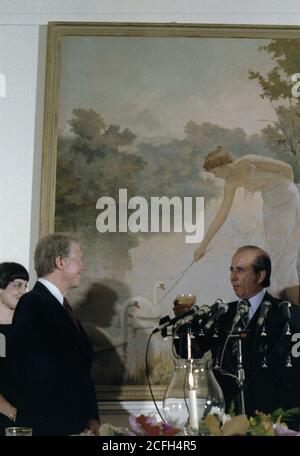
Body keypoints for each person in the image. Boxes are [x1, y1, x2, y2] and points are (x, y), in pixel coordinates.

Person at [174, 245, 300, 421]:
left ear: (260, 275)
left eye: (240, 270)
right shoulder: (222, 314)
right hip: (227, 419)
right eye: (231, 270)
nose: (232, 277)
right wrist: (185, 323)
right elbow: (190, 352)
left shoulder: (288, 316)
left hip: (270, 421)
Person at [11, 233, 100, 436]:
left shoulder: (61, 307)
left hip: (75, 426)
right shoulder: (33, 303)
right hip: (51, 428)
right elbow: (35, 374)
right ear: (60, 262)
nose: (83, 267)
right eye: (79, 258)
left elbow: (80, 373)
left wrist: (91, 419)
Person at [193, 145, 300, 304]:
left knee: (280, 252)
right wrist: (203, 245)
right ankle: (292, 303)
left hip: (285, 196)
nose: (216, 177)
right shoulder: (230, 184)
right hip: (271, 203)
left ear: (222, 165)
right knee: (281, 254)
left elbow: (287, 169)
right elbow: (221, 215)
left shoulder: (248, 161)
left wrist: (288, 192)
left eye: (215, 172)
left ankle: (274, 301)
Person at [0, 262, 29, 435]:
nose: (23, 292)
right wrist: (13, 413)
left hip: (27, 417)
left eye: (25, 286)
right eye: (17, 285)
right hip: (9, 418)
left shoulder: (29, 330)